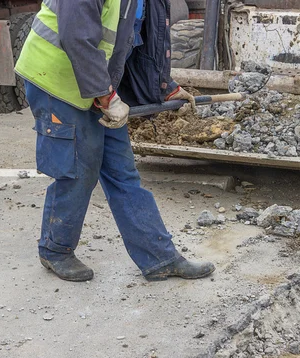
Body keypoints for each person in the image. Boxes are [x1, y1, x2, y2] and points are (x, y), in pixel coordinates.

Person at [14, 0, 215, 282]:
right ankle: (55, 251)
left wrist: (164, 87)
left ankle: (160, 258)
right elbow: (76, 37)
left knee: (123, 172)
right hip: (55, 79)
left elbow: (134, 41)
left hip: (96, 83)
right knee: (77, 171)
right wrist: (106, 95)